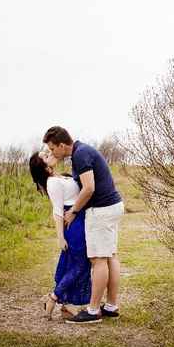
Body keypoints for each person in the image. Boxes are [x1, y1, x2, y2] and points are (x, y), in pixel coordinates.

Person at [43, 126, 125, 324]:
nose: (52, 153)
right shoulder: (82, 151)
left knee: (98, 260)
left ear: (62, 145)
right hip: (112, 206)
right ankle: (111, 306)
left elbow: (89, 188)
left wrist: (73, 211)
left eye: (53, 149)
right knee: (110, 256)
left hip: (102, 209)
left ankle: (93, 310)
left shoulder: (80, 155)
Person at [28, 151, 92, 320]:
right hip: (73, 224)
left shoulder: (61, 177)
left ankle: (67, 306)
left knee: (77, 264)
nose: (49, 153)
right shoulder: (52, 182)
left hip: (80, 218)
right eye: (45, 155)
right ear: (43, 166)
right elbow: (57, 211)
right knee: (80, 264)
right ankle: (53, 298)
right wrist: (60, 236)